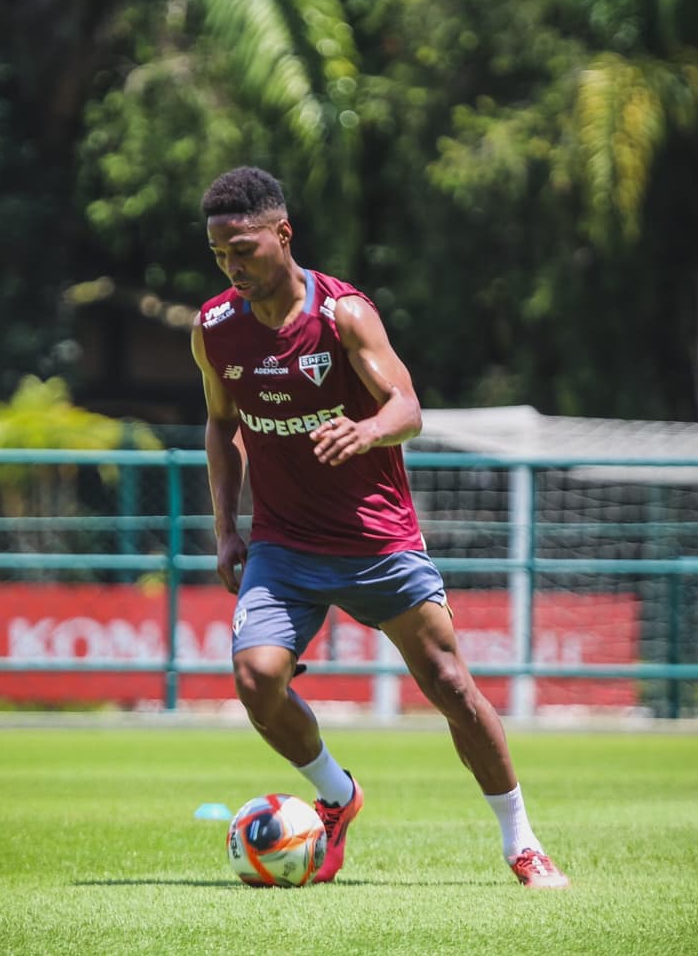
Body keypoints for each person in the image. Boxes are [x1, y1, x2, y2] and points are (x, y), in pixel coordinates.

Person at [191, 165, 569, 889]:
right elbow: (218, 422)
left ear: (283, 234)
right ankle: (337, 795)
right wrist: (225, 528)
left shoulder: (343, 316)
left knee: (450, 684)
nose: (233, 266)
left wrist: (364, 434)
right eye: (219, 254)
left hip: (377, 542)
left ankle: (522, 842)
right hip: (282, 546)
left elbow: (408, 407)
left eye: (243, 248)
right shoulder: (214, 330)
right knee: (254, 679)